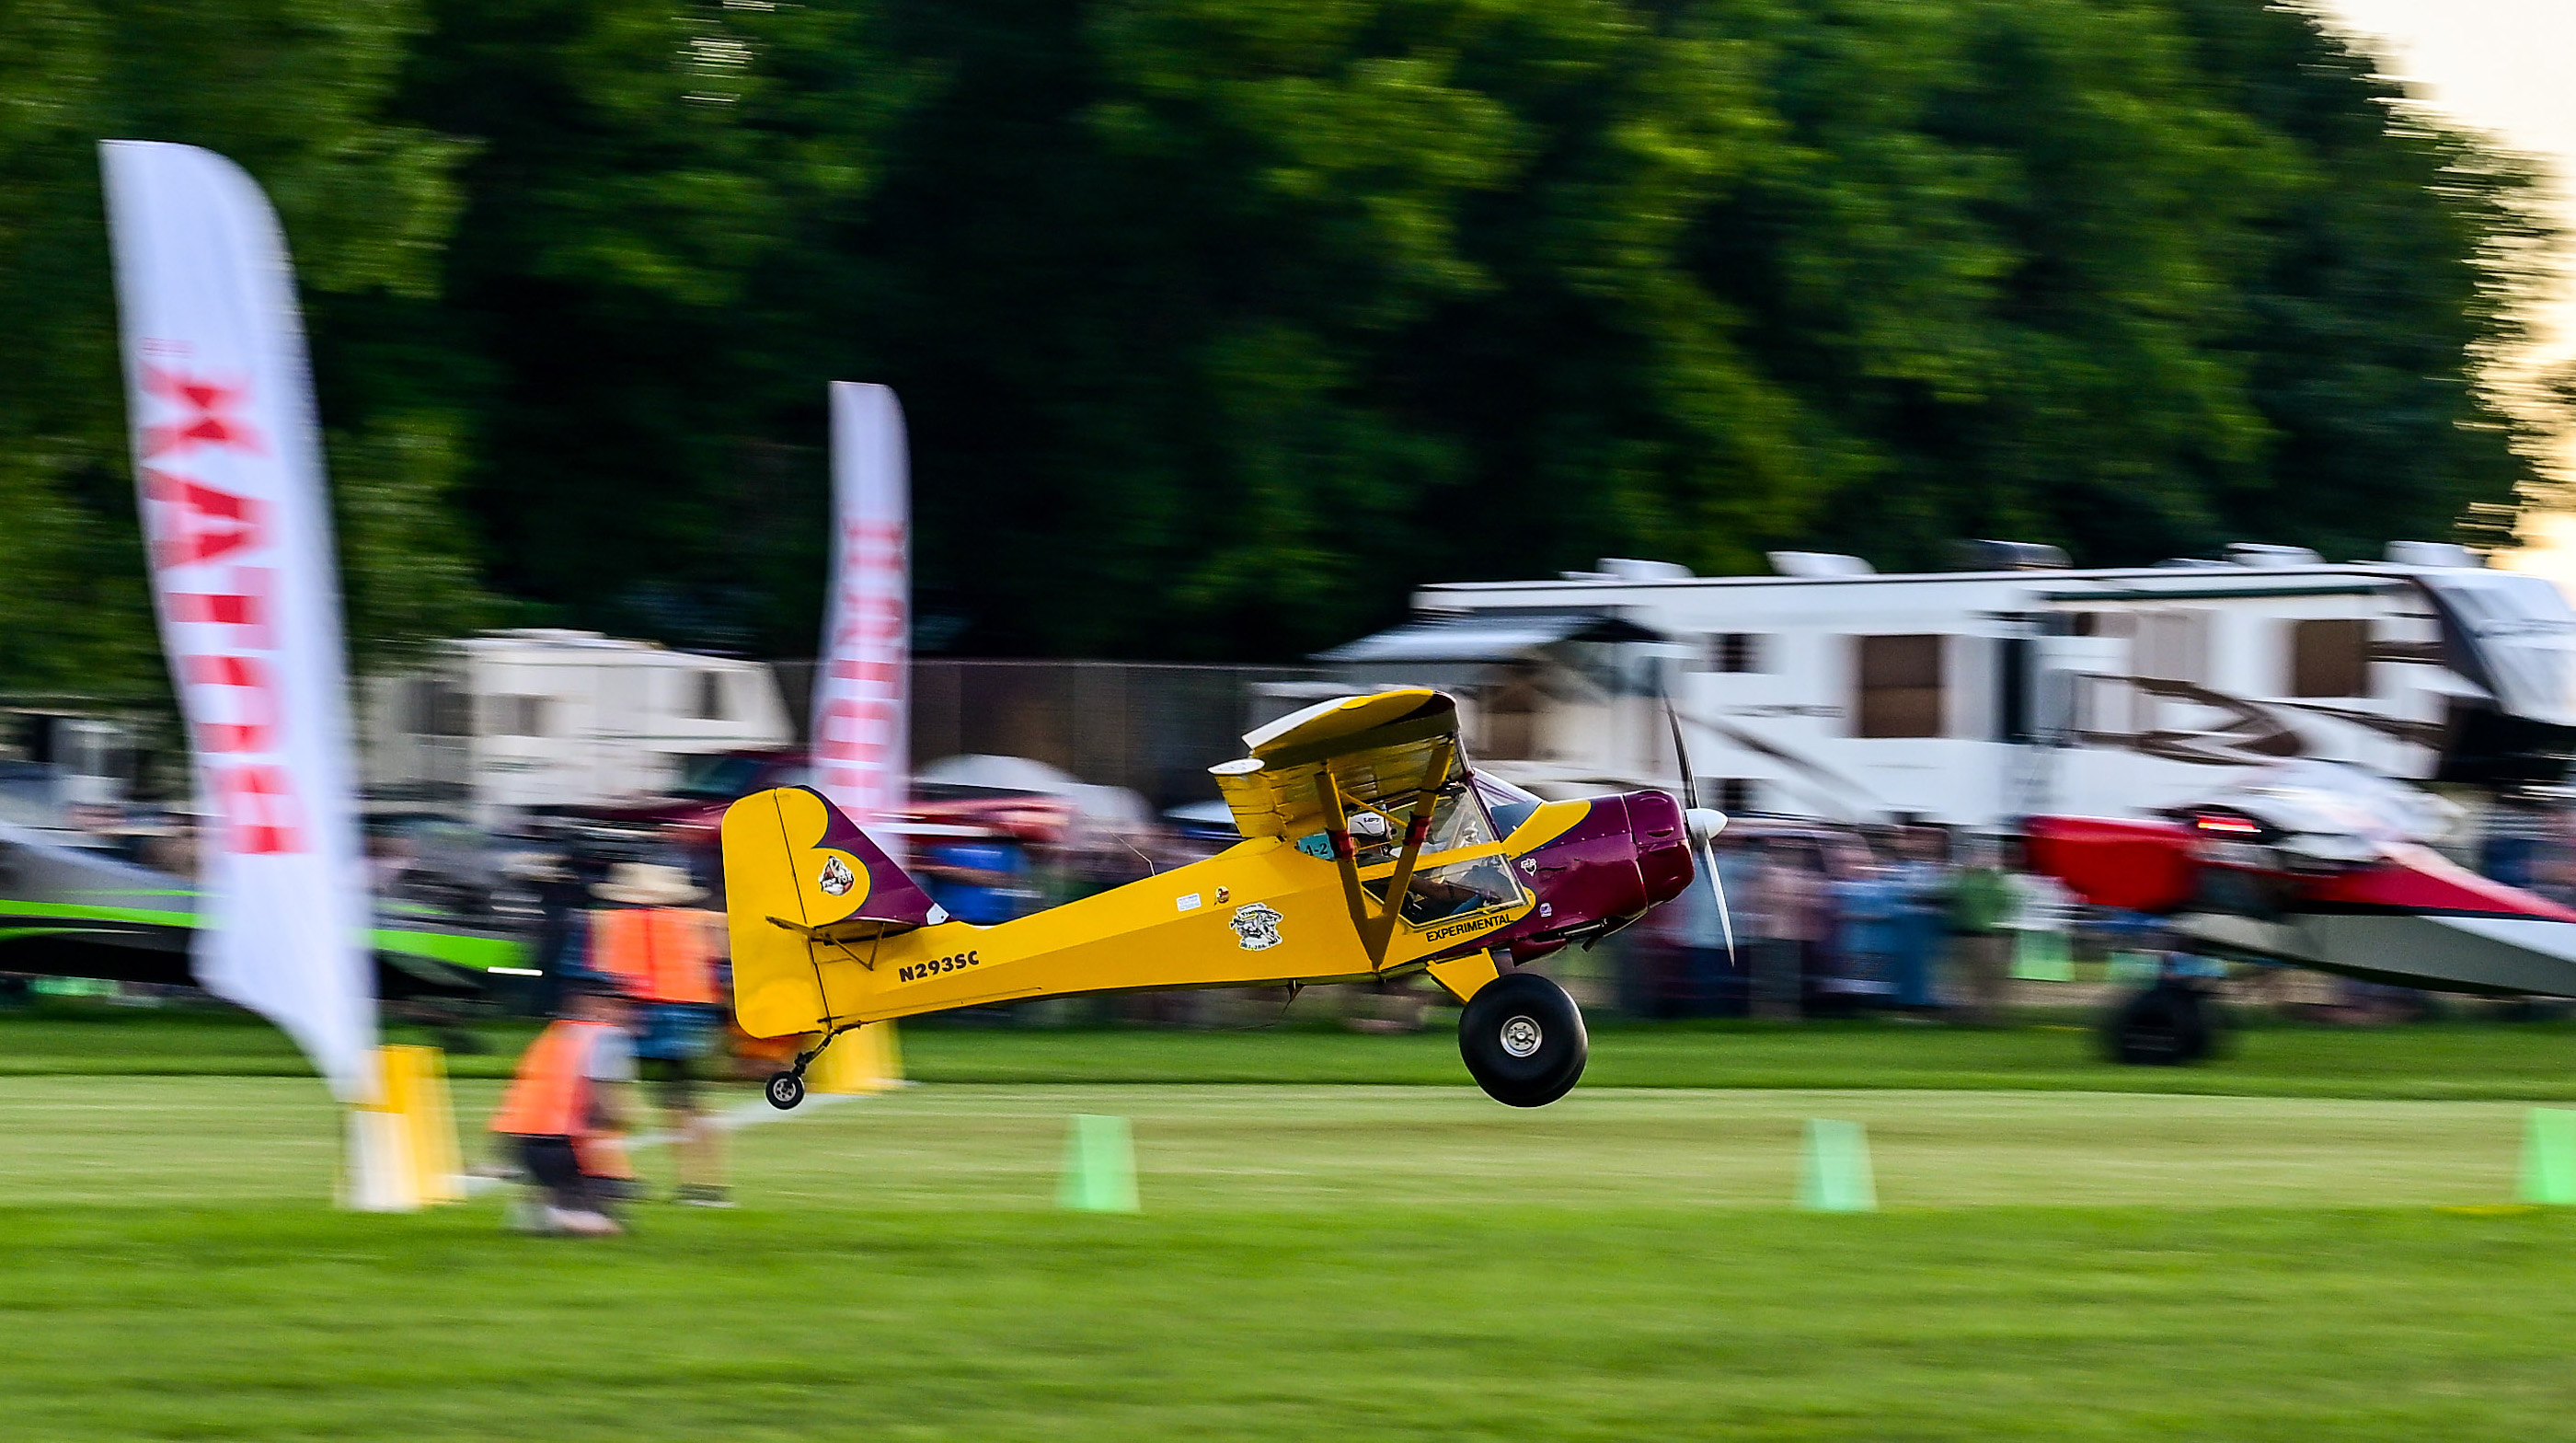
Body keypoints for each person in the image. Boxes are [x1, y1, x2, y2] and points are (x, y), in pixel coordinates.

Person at [586, 860, 732, 1206]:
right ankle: (705, 1186)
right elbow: (721, 967)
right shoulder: (701, 922)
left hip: (632, 1012)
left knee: (605, 1097)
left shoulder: (609, 922)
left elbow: (601, 974)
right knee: (686, 1102)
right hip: (691, 1015)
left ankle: (615, 1177)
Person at [489, 981, 638, 1236]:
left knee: (605, 1200)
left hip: (523, 1144)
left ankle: (552, 1203)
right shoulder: (607, 1037)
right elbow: (604, 1100)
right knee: (610, 1220)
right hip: (559, 1145)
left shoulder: (555, 1033)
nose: (628, 1013)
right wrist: (624, 1119)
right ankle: (553, 1213)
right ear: (594, 1005)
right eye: (619, 1006)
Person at [1945, 833, 2013, 1025]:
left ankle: (1979, 1014)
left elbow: (1950, 894)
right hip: (1979, 934)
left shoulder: (1970, 881)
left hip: (1978, 934)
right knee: (1978, 978)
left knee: (1976, 977)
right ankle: (1978, 1014)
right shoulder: (1992, 882)